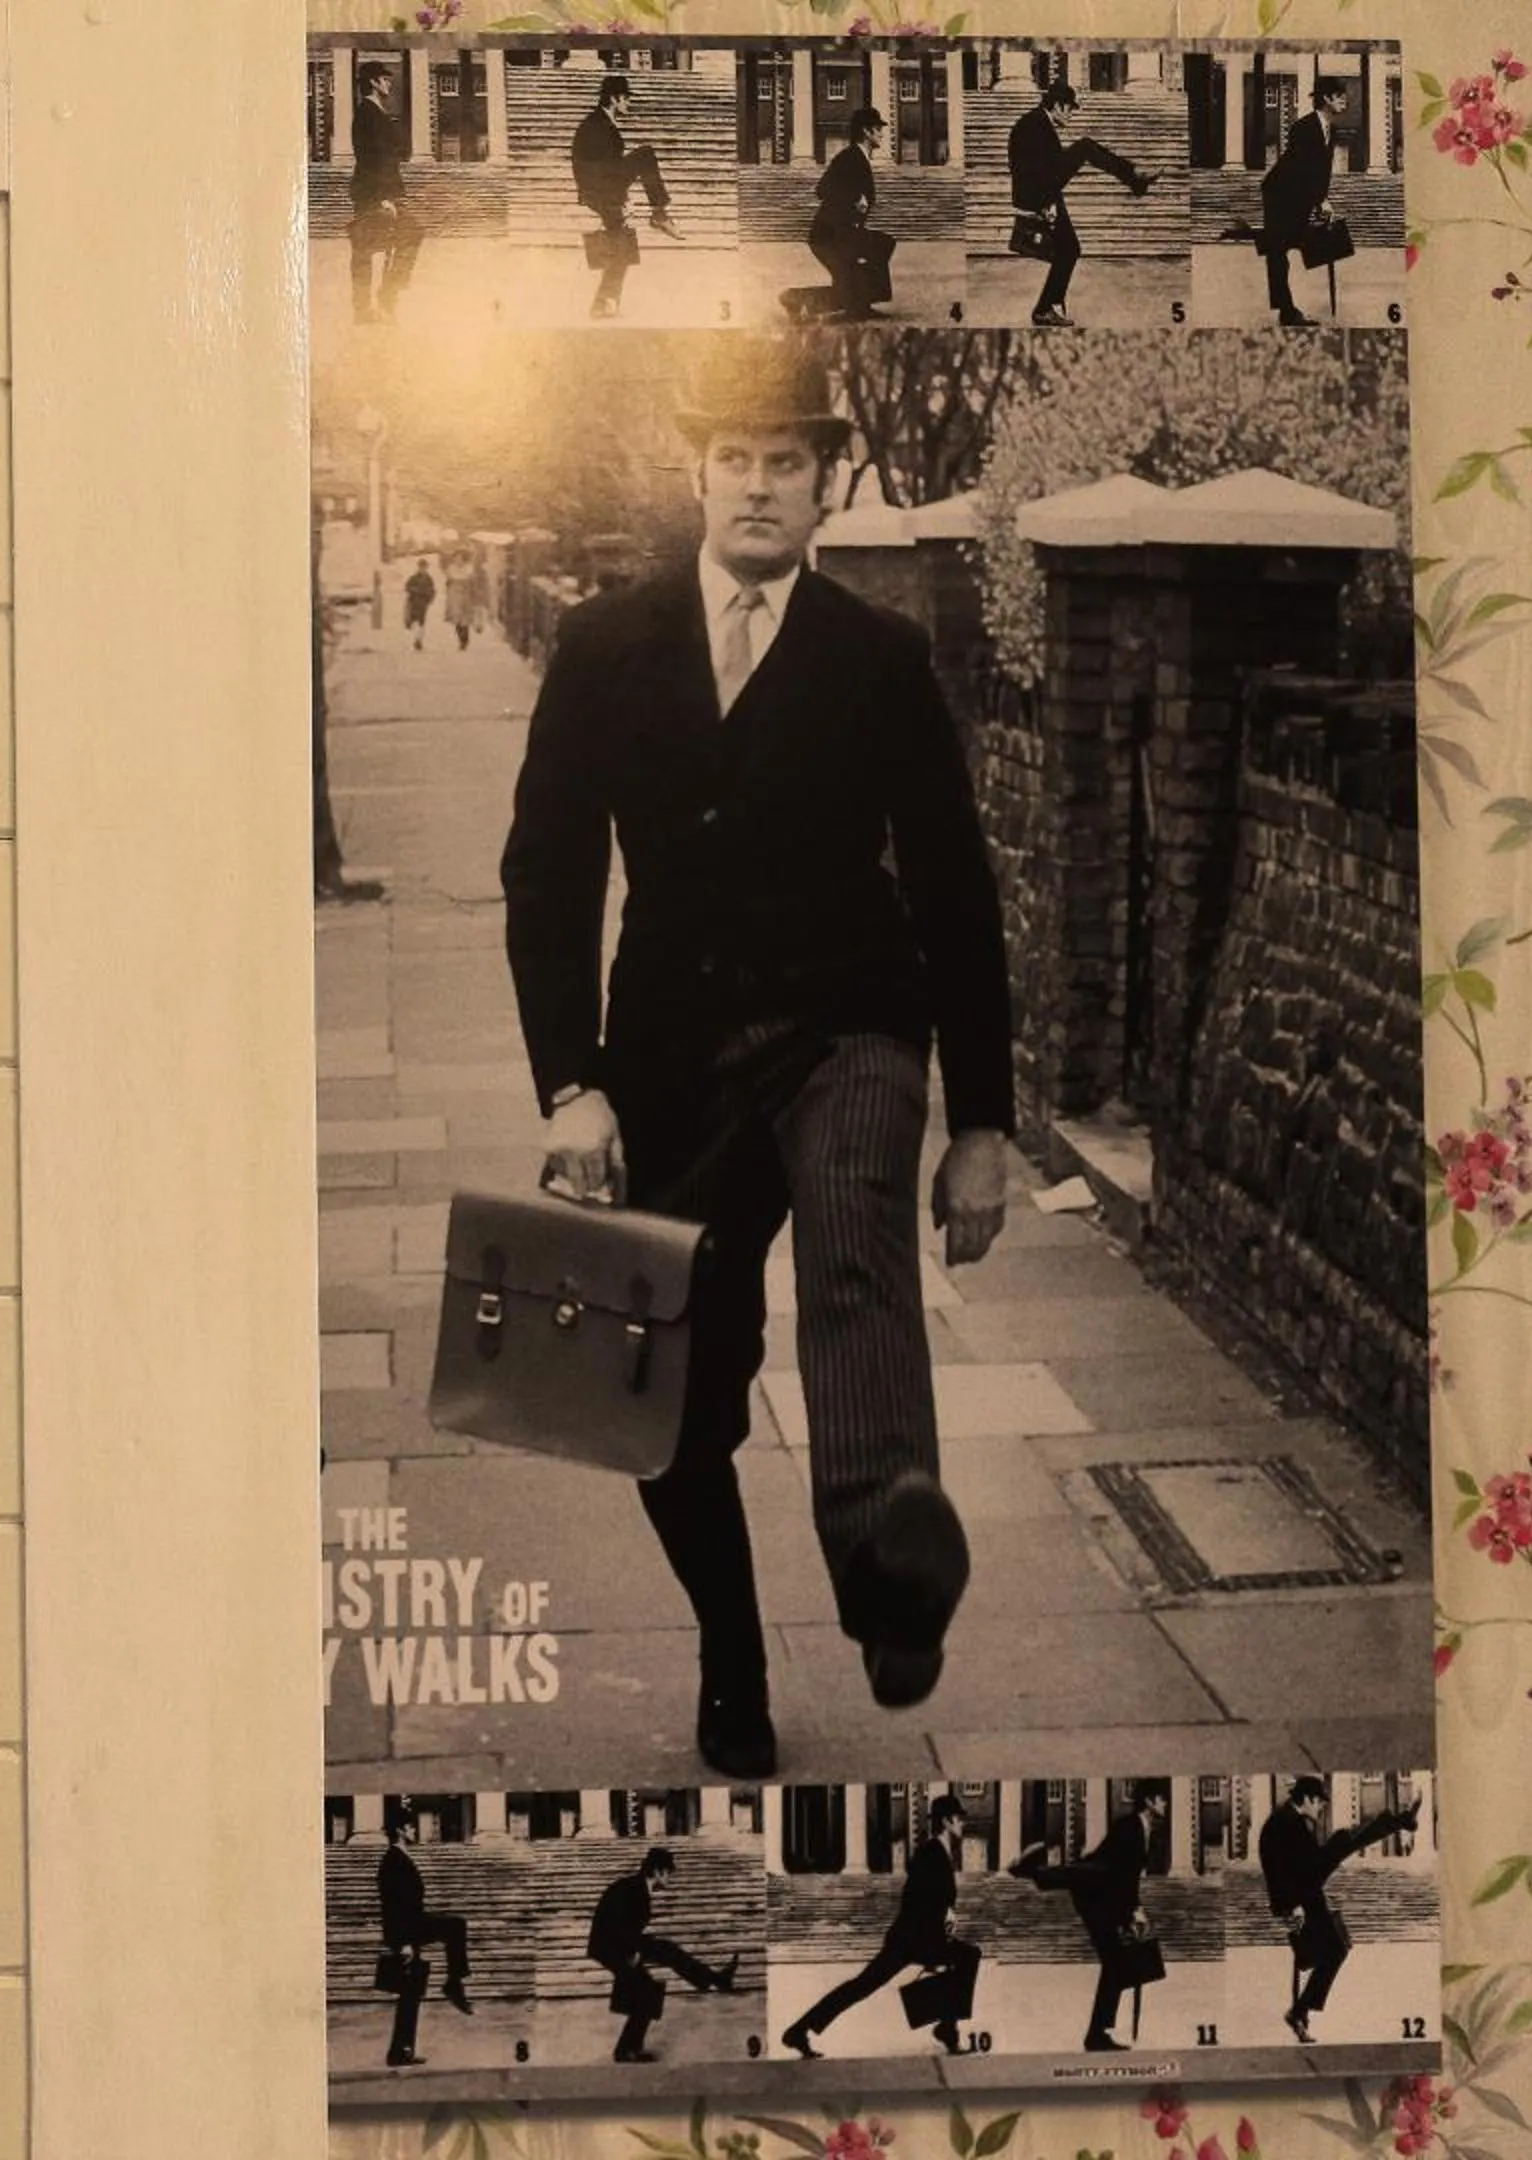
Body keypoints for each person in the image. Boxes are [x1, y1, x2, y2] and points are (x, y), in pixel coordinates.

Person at [499, 339, 1012, 1782]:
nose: (761, 485)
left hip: (851, 1025)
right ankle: (733, 1651)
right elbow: (545, 877)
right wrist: (572, 1086)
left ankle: (887, 1578)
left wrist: (982, 1121)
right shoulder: (605, 647)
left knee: (854, 1259)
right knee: (666, 1395)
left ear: (826, 484)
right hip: (666, 1057)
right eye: (737, 458)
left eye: (789, 461)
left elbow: (958, 889)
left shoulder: (878, 659)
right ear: (698, 474)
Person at [782, 1791, 984, 2058]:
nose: (963, 1823)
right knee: (862, 1986)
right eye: (959, 1818)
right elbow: (915, 1899)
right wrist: (936, 1936)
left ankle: (948, 2027)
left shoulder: (939, 1852)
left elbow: (938, 1901)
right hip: (911, 1939)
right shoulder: (931, 1853)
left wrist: (943, 1927)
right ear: (946, 1822)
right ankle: (798, 2031)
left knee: (863, 1985)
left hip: (918, 1938)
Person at [1260, 1776, 1422, 2042]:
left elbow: (1296, 1867)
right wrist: (1291, 1906)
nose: (1321, 1808)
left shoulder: (1288, 1821)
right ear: (1308, 1799)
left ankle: (1300, 2013)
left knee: (1330, 1949)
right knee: (1332, 1950)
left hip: (1307, 1890)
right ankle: (1299, 2011)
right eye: (1319, 1803)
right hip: (1301, 1897)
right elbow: (1276, 1871)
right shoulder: (1284, 1824)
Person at [1015, 1785, 1167, 2052]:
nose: (1166, 1803)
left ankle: (1097, 2034)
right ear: (1149, 1801)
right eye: (1162, 1798)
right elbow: (1121, 1873)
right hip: (1097, 1896)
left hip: (1103, 1896)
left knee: (1115, 1964)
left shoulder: (1141, 1828)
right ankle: (1031, 1871)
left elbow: (1125, 1876)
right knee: (1114, 1962)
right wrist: (1134, 1911)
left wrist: (1132, 1911)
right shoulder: (1130, 1826)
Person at [1004, 78, 1155, 327]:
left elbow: (1044, 164)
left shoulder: (1038, 123)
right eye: (1070, 109)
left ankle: (1046, 307)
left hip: (1045, 191)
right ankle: (1134, 176)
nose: (1072, 115)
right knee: (1085, 147)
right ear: (1058, 106)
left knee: (1070, 249)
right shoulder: (1032, 125)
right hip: (1039, 195)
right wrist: (1040, 207)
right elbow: (1024, 169)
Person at [585, 1848, 737, 2063]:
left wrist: (634, 1947)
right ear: (656, 1871)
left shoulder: (637, 1887)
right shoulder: (633, 1889)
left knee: (666, 1951)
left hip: (621, 1942)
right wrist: (631, 1953)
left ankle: (715, 1979)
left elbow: (627, 1925)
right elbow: (616, 1923)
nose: (669, 1879)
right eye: (667, 1873)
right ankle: (626, 2050)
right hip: (611, 1946)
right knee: (646, 1990)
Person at [572, 72, 682, 319]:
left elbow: (608, 166)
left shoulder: (601, 123)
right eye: (626, 98)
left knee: (621, 243)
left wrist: (619, 198)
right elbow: (590, 169)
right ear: (613, 98)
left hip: (604, 188)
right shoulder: (596, 126)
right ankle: (659, 213)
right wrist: (616, 201)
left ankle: (603, 303)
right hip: (600, 190)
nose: (629, 103)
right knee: (646, 155)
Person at [1257, 83, 1349, 328]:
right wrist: (1319, 201)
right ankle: (1287, 312)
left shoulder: (1331, 129)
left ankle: (1271, 242)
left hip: (1298, 195)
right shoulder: (1303, 127)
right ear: (1326, 98)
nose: (1345, 101)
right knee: (1279, 251)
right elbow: (1301, 169)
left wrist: (1323, 198)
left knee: (1291, 245)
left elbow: (1323, 171)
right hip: (1280, 193)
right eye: (1340, 97)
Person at [376, 1817, 477, 2019]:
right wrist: (404, 1942)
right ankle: (453, 1983)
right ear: (400, 1830)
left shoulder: (400, 1856)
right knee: (408, 1991)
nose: (415, 1830)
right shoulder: (392, 1859)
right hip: (405, 1928)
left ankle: (453, 1983)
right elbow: (392, 1904)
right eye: (411, 1826)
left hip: (412, 1923)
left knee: (411, 1991)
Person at [808, 106, 899, 321]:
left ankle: (861, 302)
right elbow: (822, 189)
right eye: (878, 129)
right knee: (862, 258)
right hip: (827, 237)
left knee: (881, 245)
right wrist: (853, 198)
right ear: (866, 132)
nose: (882, 134)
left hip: (842, 233)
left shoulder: (860, 157)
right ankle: (859, 303)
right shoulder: (849, 157)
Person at [348, 66, 421, 324]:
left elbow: (396, 152)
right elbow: (368, 158)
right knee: (364, 249)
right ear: (373, 83)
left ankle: (384, 298)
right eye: (385, 80)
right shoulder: (366, 113)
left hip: (385, 191)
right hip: (372, 193)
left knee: (407, 234)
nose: (389, 84)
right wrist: (383, 198)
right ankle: (367, 308)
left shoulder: (379, 113)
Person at [446, 554, 490, 650]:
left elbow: (473, 584)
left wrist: (474, 596)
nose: (458, 561)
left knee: (465, 619)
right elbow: (448, 584)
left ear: (463, 560)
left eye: (460, 559)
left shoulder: (469, 570)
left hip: (466, 596)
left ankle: (464, 641)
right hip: (455, 597)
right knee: (457, 619)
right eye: (456, 559)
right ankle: (460, 639)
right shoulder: (451, 569)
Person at [404, 558, 439, 649]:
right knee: (414, 621)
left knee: (421, 621)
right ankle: (416, 639)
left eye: (424, 567)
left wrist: (430, 599)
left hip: (423, 602)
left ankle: (418, 640)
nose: (422, 569)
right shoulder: (414, 577)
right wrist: (414, 591)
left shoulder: (428, 579)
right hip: (414, 601)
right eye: (421, 567)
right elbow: (407, 587)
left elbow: (432, 590)